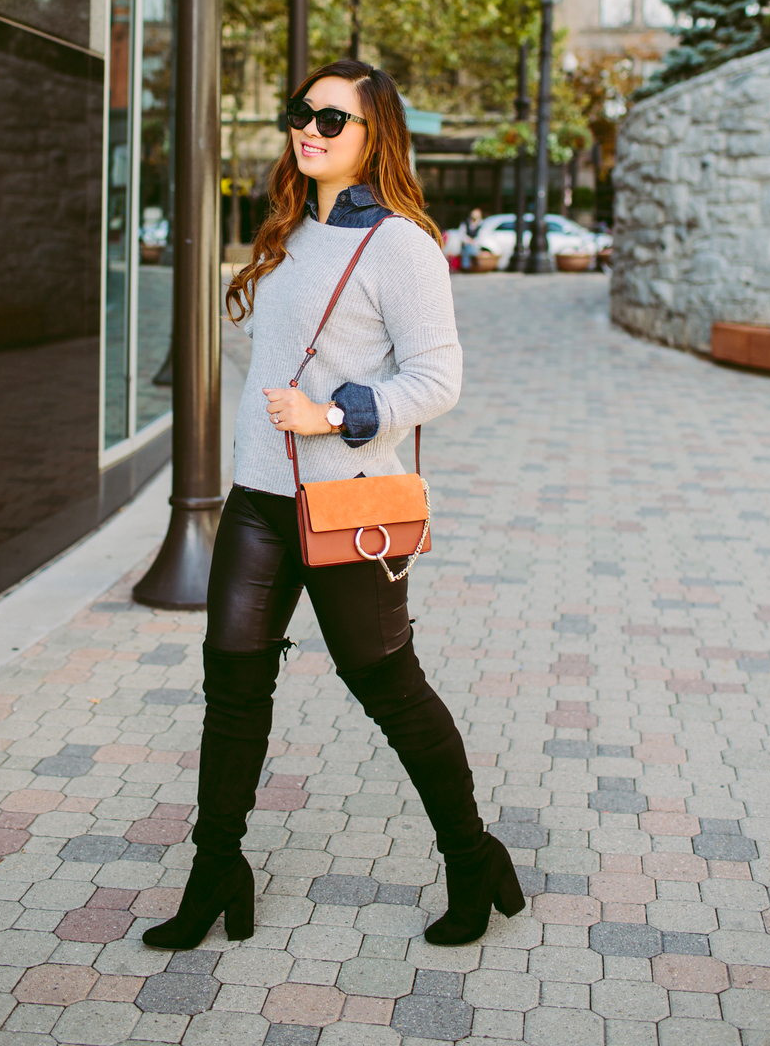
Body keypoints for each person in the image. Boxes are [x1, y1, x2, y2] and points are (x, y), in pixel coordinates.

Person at [141, 59, 525, 952]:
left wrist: (336, 412)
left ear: (371, 137)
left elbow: (439, 377)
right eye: (299, 113)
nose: (307, 128)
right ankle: (215, 869)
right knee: (232, 691)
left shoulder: (401, 245)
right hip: (257, 500)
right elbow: (264, 359)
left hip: (346, 504)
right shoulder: (284, 230)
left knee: (386, 686)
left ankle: (471, 858)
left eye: (331, 118)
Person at [460, 207, 485, 271]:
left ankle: (466, 267)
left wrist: (472, 242)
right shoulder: (465, 223)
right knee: (467, 247)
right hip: (467, 244)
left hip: (476, 246)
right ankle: (475, 260)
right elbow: (462, 235)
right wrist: (469, 241)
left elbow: (481, 238)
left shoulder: (481, 225)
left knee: (467, 249)